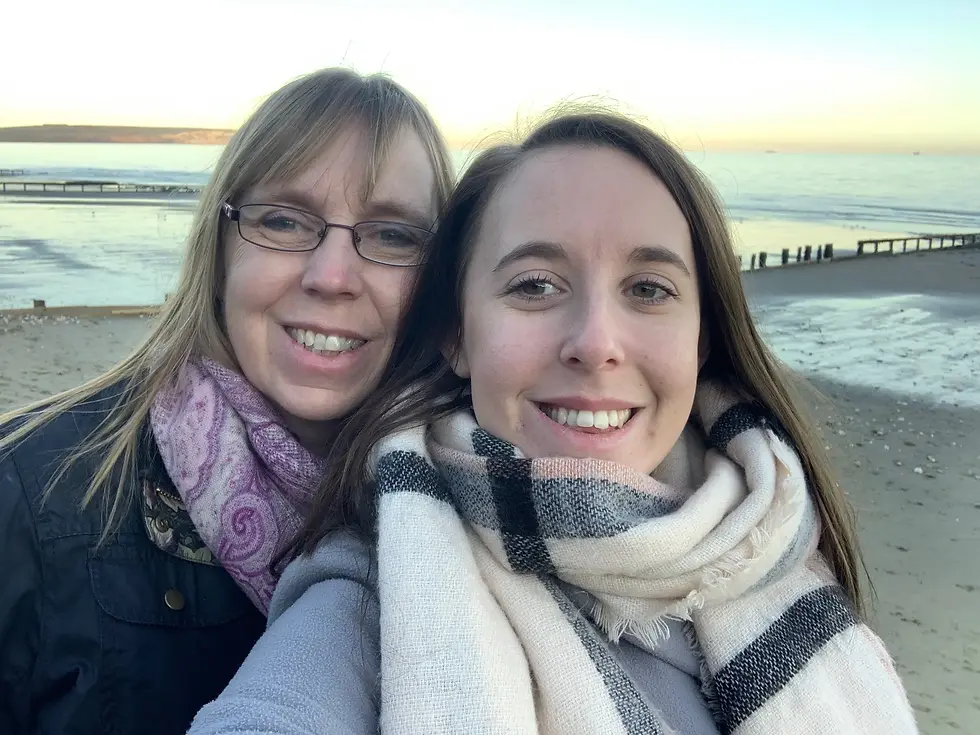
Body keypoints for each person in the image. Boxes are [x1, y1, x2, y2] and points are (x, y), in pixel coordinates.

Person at [188, 111, 918, 734]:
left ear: (701, 338)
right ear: (457, 334)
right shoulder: (380, 583)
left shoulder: (774, 545)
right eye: (535, 285)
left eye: (649, 288)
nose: (597, 342)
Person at [0, 67, 454, 734]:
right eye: (282, 220)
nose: (331, 276)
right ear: (219, 250)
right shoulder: (33, 494)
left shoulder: (480, 515)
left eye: (393, 236)